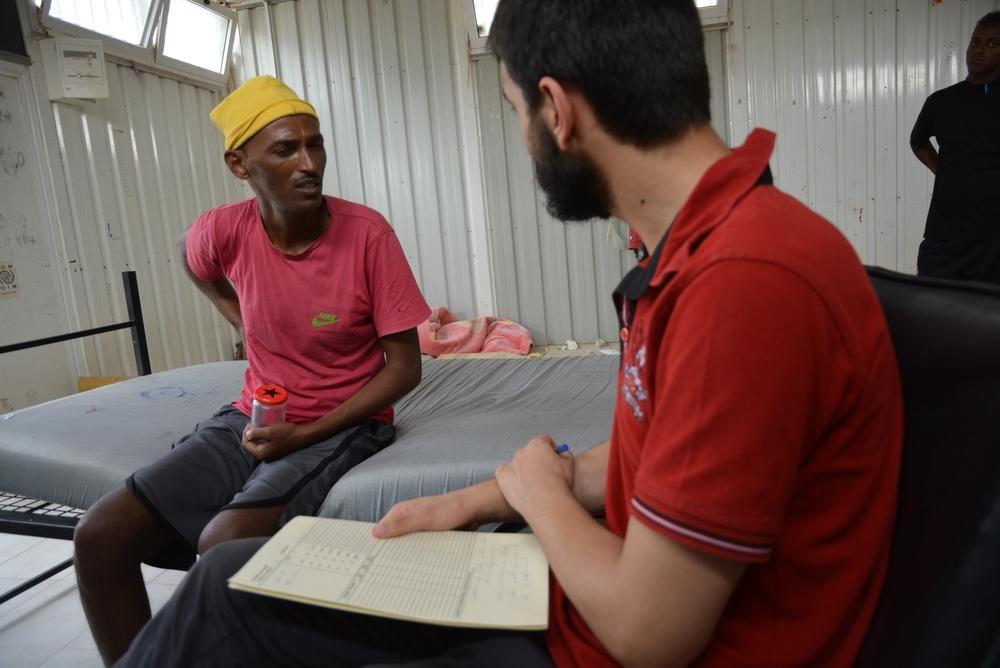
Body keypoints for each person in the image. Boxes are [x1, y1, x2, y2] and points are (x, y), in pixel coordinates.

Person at [117, 2, 903, 666]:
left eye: (516, 110)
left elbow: (651, 633)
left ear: (557, 111)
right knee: (238, 575)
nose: (526, 137)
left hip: (606, 642)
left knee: (223, 607)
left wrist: (538, 493)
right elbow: (658, 463)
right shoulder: (707, 247)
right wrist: (474, 498)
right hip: (577, 605)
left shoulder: (744, 283)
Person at [73, 75, 430, 665]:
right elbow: (192, 253)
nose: (309, 162)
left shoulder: (367, 235)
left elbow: (405, 368)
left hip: (341, 423)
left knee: (223, 543)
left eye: (315, 144)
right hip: (252, 414)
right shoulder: (226, 230)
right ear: (240, 165)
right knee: (100, 534)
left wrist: (304, 434)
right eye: (286, 149)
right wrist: (232, 311)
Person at [910, 12, 1000, 283]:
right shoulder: (941, 101)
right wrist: (944, 172)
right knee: (932, 310)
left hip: (993, 241)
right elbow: (918, 142)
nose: (979, 50)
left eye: (992, 44)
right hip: (944, 235)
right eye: (976, 42)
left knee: (986, 319)